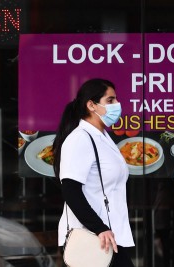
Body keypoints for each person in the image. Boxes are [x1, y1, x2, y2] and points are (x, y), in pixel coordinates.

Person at [53, 78, 135, 267]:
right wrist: (99, 228)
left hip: (108, 236)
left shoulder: (102, 137)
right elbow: (71, 191)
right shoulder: (80, 139)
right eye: (110, 100)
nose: (117, 105)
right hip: (93, 238)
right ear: (91, 105)